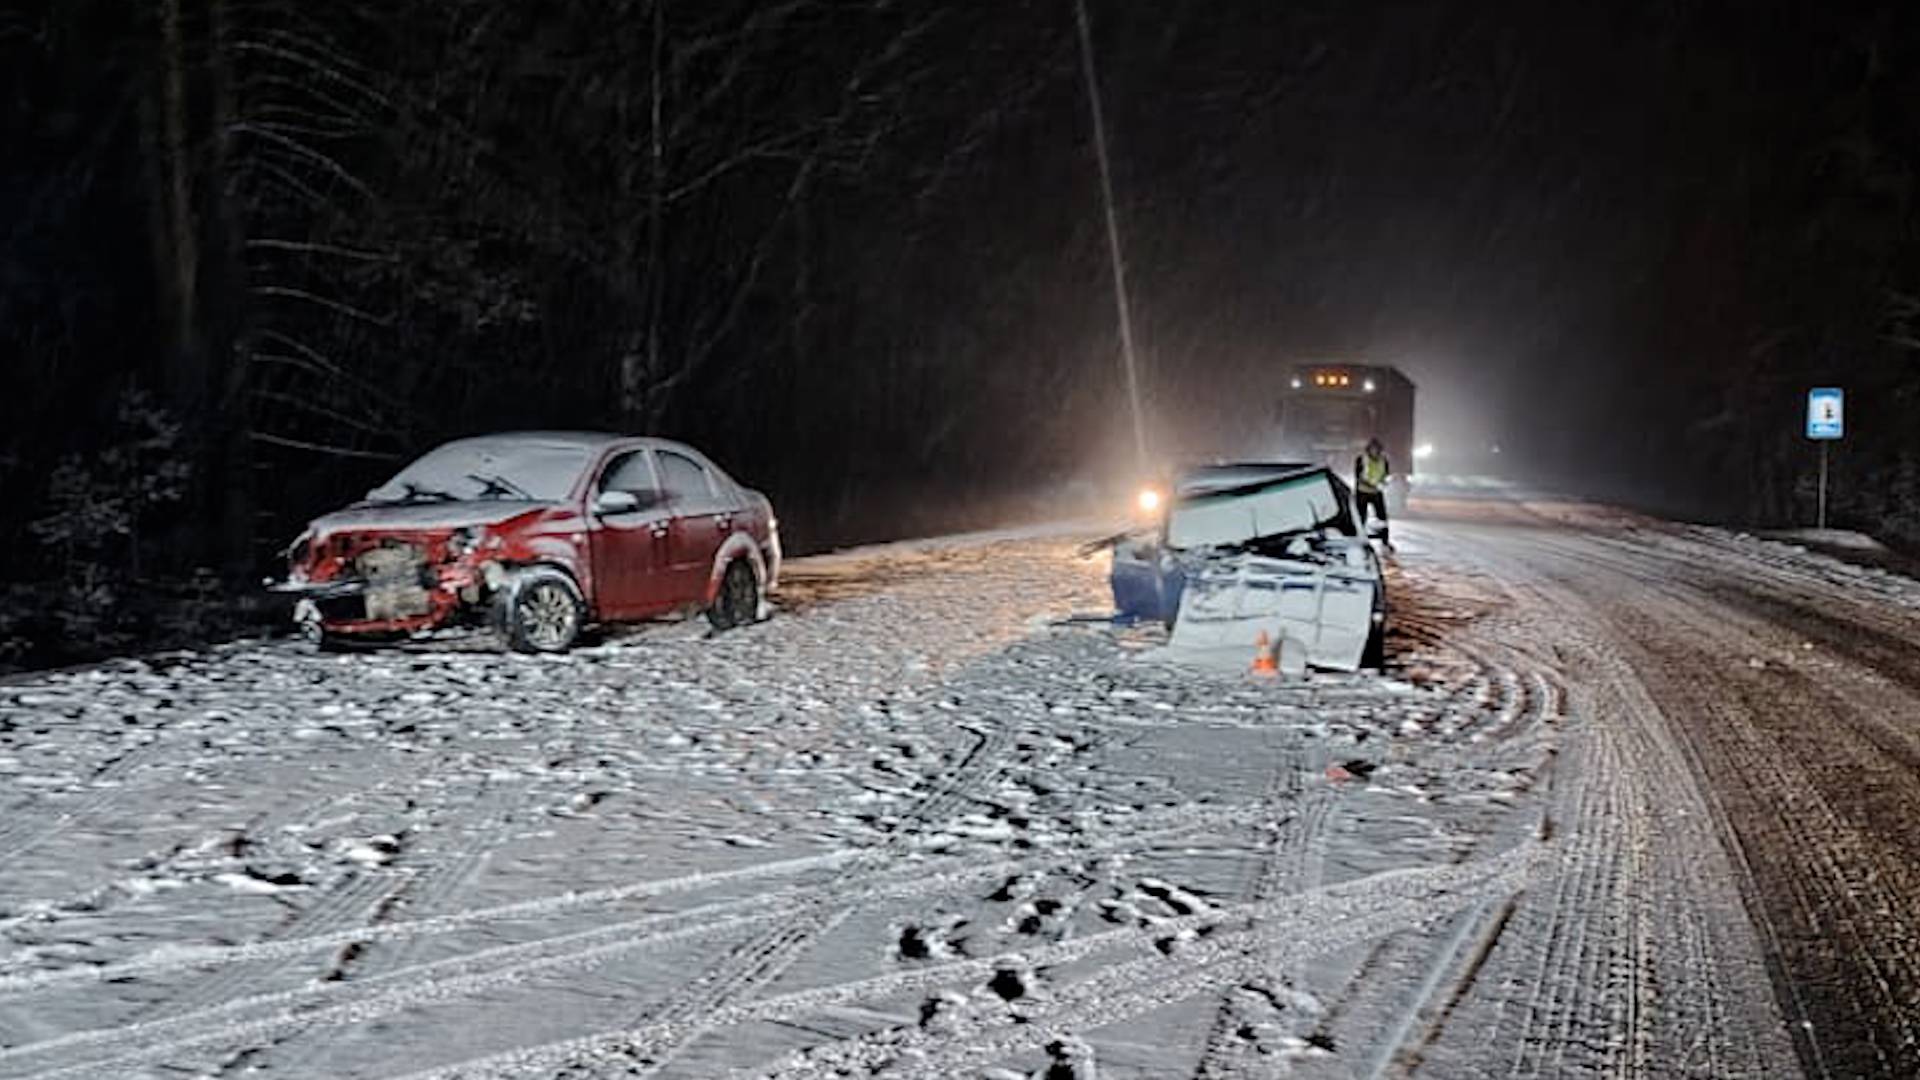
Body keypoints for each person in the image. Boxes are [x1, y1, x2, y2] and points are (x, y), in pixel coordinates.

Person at [1354, 437, 1393, 550]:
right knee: (1361, 518)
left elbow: (1385, 475)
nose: (1374, 451)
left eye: (1376, 449)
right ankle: (1359, 540)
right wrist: (1370, 484)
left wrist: (1383, 483)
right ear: (1368, 450)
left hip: (1376, 492)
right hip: (1363, 492)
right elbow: (1359, 476)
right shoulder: (1362, 459)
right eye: (1372, 449)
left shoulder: (1383, 461)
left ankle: (1385, 542)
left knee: (1382, 518)